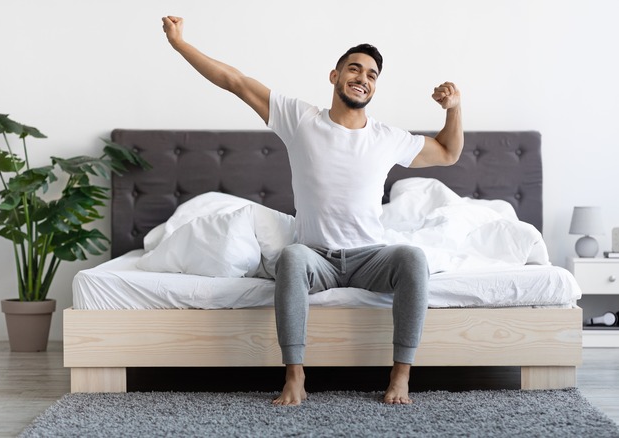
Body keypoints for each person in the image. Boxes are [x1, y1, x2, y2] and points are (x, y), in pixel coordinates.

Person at [161, 16, 463, 406]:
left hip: (370, 256)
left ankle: (400, 375)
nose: (363, 77)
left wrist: (454, 109)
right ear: (335, 75)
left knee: (412, 258)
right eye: (354, 68)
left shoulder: (387, 138)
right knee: (290, 257)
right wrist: (180, 44)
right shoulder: (300, 119)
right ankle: (295, 376)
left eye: (372, 74)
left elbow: (448, 152)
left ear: (374, 86)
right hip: (316, 257)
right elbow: (234, 81)